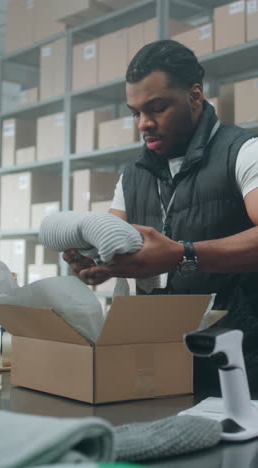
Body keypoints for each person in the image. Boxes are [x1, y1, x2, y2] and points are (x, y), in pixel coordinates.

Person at [64, 40, 258, 393]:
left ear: (194, 96)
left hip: (241, 362)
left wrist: (183, 254)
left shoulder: (243, 152)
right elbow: (112, 240)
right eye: (135, 112)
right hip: (162, 362)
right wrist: (98, 264)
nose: (144, 123)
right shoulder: (133, 176)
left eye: (156, 108)